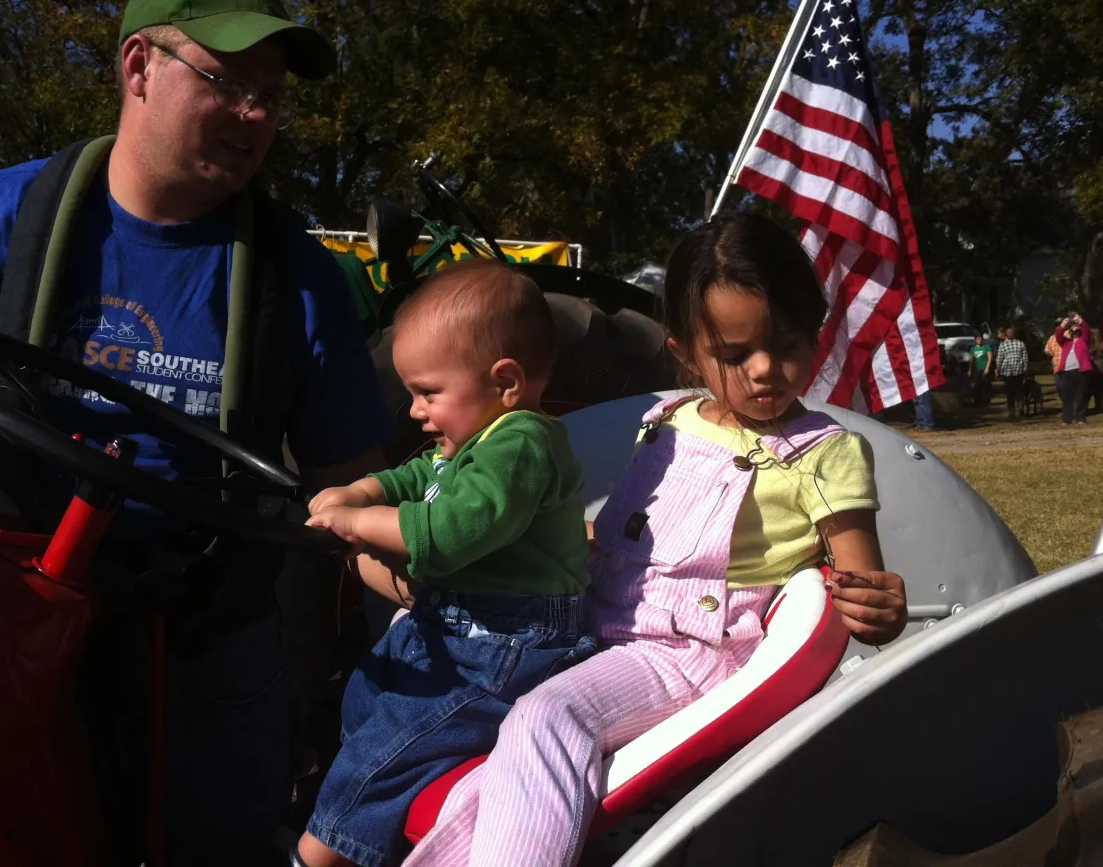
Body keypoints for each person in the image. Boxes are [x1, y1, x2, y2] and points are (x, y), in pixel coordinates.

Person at [0, 0, 395, 863]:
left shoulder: (299, 280)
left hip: (209, 652)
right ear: (139, 65)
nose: (256, 118)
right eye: (230, 85)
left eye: (271, 98)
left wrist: (416, 605)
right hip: (4, 641)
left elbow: (352, 489)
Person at [402, 214, 909, 867]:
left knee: (548, 718)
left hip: (687, 648)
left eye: (788, 345)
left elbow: (863, 585)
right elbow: (634, 532)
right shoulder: (667, 420)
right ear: (686, 353)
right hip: (599, 617)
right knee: (438, 670)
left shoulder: (825, 452)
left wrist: (881, 607)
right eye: (734, 354)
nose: (766, 371)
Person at [294, 262, 598, 867]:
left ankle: (324, 852)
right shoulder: (468, 439)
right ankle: (383, 825)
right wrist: (364, 493)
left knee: (379, 754)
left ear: (505, 381)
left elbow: (449, 531)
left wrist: (357, 525)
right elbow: (415, 476)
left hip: (509, 646)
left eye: (427, 393)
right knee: (363, 695)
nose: (414, 411)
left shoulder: (521, 443)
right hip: (456, 625)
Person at [1054, 313, 1092, 425]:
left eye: (1077, 331)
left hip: (1081, 371)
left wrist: (1080, 321)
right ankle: (1067, 419)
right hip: (1067, 372)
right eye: (1073, 331)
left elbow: (1086, 330)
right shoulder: (1066, 343)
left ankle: (1079, 418)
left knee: (1081, 395)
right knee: (1067, 396)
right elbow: (1058, 335)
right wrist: (1063, 325)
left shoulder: (1083, 340)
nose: (1075, 332)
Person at [994, 326, 1028, 420]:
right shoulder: (1003, 345)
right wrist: (997, 369)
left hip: (1018, 371)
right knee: (1010, 393)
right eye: (1008, 332)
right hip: (1007, 372)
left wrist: (1026, 368)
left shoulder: (1020, 344)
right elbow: (999, 358)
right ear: (1006, 334)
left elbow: (1025, 357)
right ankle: (1011, 413)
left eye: (1012, 332)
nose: (1010, 334)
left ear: (1014, 333)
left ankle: (1021, 410)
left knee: (1019, 392)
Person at [1045, 326, 1065, 408]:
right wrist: (1050, 353)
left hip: (1067, 367)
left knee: (1068, 387)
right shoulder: (1052, 338)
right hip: (1056, 367)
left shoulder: (1067, 336)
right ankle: (1066, 404)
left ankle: (1068, 407)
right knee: (1059, 387)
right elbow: (1046, 350)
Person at [971, 333, 993, 406]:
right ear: (975, 340)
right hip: (976, 369)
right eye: (978, 339)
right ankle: (977, 400)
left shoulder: (986, 347)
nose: (979, 340)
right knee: (976, 385)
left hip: (984, 368)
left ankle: (986, 400)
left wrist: (987, 368)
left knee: (985, 384)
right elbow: (971, 359)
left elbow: (990, 357)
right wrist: (969, 369)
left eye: (981, 339)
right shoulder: (973, 348)